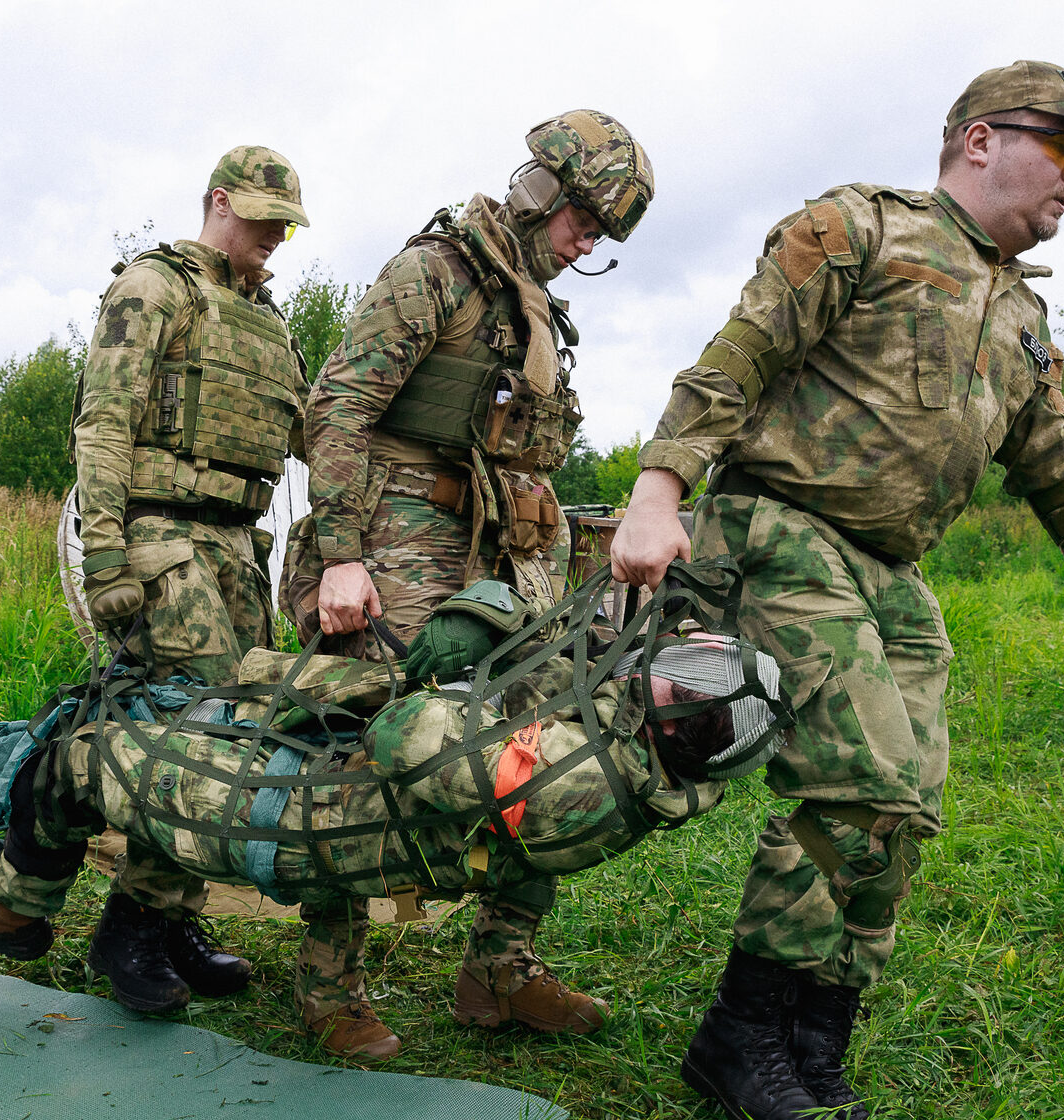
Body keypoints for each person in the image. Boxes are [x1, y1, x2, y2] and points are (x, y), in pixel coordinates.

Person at [607, 61, 1064, 1120]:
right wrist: (659, 487)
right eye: (1063, 147)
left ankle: (815, 1037)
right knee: (860, 783)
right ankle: (740, 1037)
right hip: (784, 528)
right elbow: (738, 356)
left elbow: (1061, 464)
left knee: (904, 804)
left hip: (893, 573)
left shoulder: (1018, 316)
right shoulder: (859, 227)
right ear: (977, 140)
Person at [0, 565, 789, 1062]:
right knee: (164, 709)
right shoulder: (645, 772)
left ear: (683, 715)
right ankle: (487, 980)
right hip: (348, 803)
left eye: (679, 673)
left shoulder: (567, 777)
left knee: (83, 749)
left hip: (305, 820)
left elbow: (404, 735)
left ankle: (5, 901)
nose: (657, 663)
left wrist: (453, 674)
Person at [278, 110, 654, 1056]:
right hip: (392, 551)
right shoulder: (435, 272)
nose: (587, 243)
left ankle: (499, 970)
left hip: (491, 563)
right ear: (538, 191)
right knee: (357, 748)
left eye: (603, 232)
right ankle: (331, 985)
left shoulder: (527, 301)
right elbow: (338, 410)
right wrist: (341, 556)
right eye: (582, 220)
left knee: (539, 742)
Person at [0, 145, 310, 1022]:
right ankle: (131, 929)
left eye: (284, 224)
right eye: (259, 217)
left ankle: (168, 919)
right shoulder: (153, 286)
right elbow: (104, 423)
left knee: (238, 728)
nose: (273, 237)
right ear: (217, 201)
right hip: (161, 537)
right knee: (188, 733)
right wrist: (103, 553)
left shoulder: (266, 319)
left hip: (235, 545)